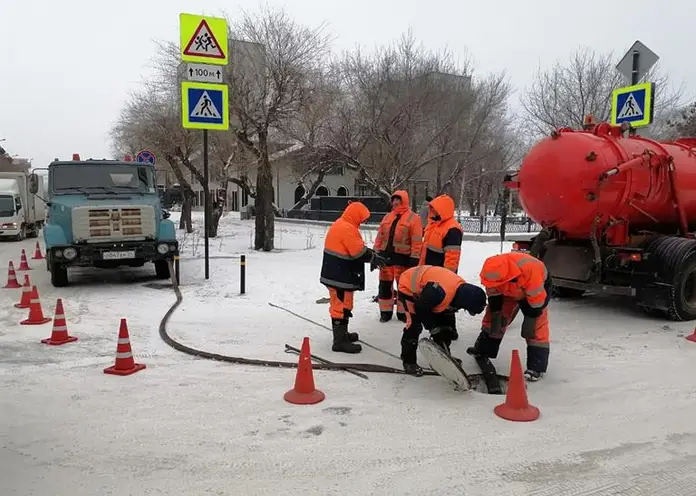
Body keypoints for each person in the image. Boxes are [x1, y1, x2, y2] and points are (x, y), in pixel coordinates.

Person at [467, 251, 552, 381]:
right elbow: (492, 290)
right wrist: (496, 311)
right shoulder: (492, 271)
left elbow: (537, 301)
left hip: (535, 291)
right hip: (508, 289)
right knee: (493, 319)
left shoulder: (530, 271)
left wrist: (531, 317)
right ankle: (483, 350)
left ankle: (536, 367)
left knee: (536, 327)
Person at [320, 201, 387, 354]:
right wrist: (373, 258)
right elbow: (358, 251)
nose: (363, 221)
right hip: (339, 276)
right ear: (356, 215)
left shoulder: (342, 224)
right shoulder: (347, 228)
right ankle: (339, 341)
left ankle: (342, 335)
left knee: (344, 304)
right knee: (340, 306)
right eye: (363, 218)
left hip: (338, 273)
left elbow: (355, 249)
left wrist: (372, 257)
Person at [397, 265, 487, 376]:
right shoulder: (438, 292)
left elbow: (445, 316)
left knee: (445, 325)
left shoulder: (461, 289)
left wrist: (443, 330)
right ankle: (408, 361)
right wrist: (432, 327)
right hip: (409, 285)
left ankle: (443, 357)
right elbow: (420, 307)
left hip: (428, 290)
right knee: (414, 326)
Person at [373, 190, 423, 323]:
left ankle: (402, 313)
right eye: (394, 200)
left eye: (398, 200)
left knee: (403, 288)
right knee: (384, 286)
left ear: (404, 201)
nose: (395, 203)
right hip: (385, 259)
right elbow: (379, 237)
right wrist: (375, 254)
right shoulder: (387, 217)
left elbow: (417, 241)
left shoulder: (414, 218)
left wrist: (414, 258)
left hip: (403, 260)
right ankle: (385, 312)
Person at [419, 194, 464, 339]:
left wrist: (447, 277)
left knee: (447, 301)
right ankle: (440, 328)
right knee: (437, 301)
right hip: (430, 270)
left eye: (435, 209)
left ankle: (450, 329)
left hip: (443, 273)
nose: (433, 211)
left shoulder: (452, 229)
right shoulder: (434, 224)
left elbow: (452, 256)